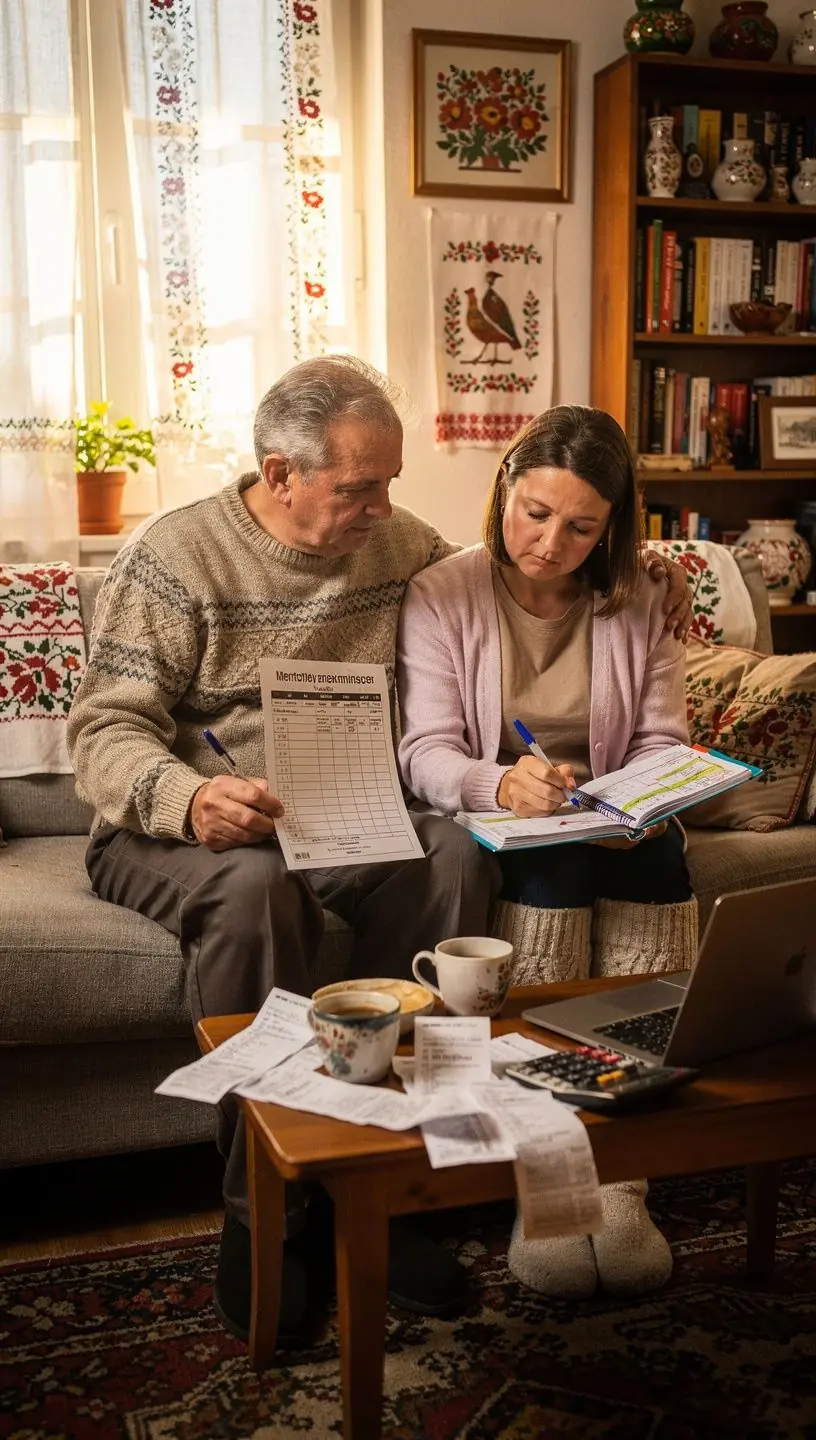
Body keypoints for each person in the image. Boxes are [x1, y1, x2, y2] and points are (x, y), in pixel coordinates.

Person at [67, 361, 692, 1347]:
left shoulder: (398, 545)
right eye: (360, 488)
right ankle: (263, 1207)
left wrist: (643, 569)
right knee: (252, 888)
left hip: (348, 817)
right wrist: (191, 798)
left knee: (451, 857)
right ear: (281, 474)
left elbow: (526, 572)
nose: (385, 508)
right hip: (185, 829)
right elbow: (103, 731)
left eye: (390, 483)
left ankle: (397, 1184)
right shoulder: (173, 556)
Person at [396, 404, 697, 1302]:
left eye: (580, 526)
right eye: (534, 513)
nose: (549, 542)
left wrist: (643, 792)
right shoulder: (443, 592)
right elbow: (428, 750)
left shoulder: (642, 592)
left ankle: (622, 1180)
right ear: (503, 494)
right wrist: (501, 785)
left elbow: (662, 739)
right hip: (515, 819)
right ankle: (551, 1182)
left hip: (609, 811)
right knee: (553, 865)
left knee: (652, 858)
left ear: (612, 529)